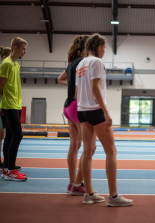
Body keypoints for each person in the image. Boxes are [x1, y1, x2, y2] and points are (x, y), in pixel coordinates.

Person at [76, 33, 133, 206]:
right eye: (104, 47)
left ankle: (89, 194)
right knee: (111, 152)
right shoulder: (97, 62)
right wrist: (106, 112)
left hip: (82, 111)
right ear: (99, 47)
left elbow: (78, 90)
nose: (104, 51)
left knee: (87, 152)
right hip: (95, 111)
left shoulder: (81, 63)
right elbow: (95, 88)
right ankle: (114, 196)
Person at [58, 35, 89, 195]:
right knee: (90, 147)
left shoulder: (71, 64)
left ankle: (72, 183)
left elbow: (60, 79)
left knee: (74, 146)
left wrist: (71, 84)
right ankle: (78, 184)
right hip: (77, 105)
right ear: (81, 49)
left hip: (68, 106)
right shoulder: (83, 63)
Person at [0, 37, 28, 181]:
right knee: (18, 136)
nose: (25, 51)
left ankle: (7, 169)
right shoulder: (6, 64)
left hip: (16, 104)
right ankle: (10, 170)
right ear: (15, 48)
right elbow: (0, 86)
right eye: (23, 48)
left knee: (10, 136)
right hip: (9, 105)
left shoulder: (16, 65)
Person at [0, 46, 11, 172]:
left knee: (2, 135)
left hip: (5, 104)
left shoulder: (7, 68)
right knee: (1, 135)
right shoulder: (4, 68)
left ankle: (5, 161)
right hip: (3, 104)